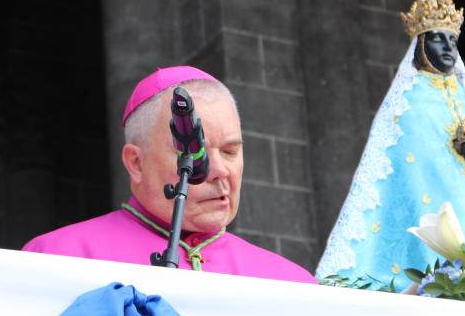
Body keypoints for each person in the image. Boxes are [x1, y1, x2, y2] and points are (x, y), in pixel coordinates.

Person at [316, 0, 465, 289]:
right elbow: (414, 171)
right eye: (438, 39)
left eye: (452, 40)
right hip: (441, 218)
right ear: (421, 45)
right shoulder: (410, 106)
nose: (449, 48)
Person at [23, 66, 315, 284]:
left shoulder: (292, 283)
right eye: (191, 151)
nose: (219, 170)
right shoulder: (59, 257)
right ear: (136, 163)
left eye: (229, 151)